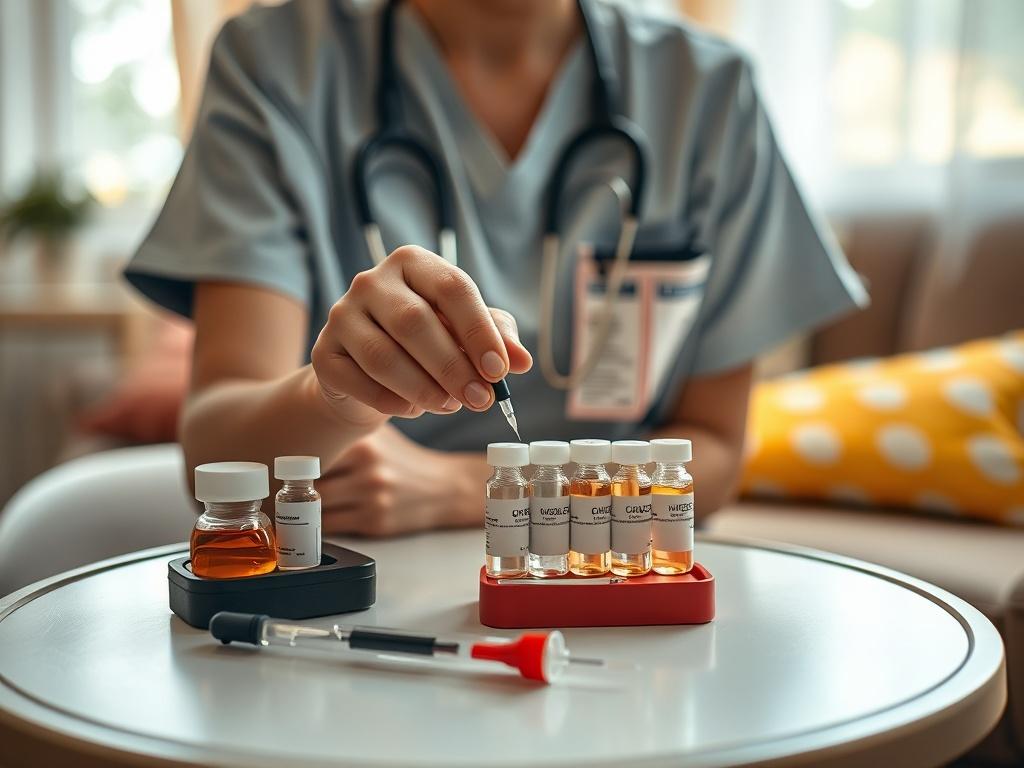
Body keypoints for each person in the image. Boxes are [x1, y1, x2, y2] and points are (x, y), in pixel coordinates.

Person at [125, 0, 867, 537]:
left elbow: (713, 457)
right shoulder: (276, 64)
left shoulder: (706, 92)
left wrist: (459, 489)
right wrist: (337, 399)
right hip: (362, 567)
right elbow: (215, 457)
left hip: (602, 562)